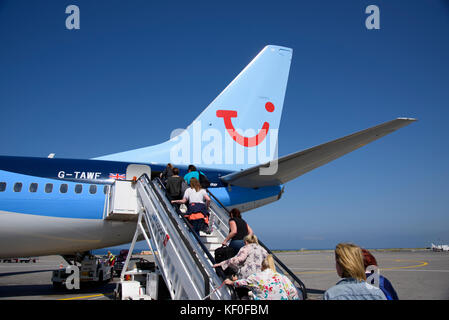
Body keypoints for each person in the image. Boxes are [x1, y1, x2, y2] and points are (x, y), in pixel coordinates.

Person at [224, 254, 300, 300]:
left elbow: (242, 282)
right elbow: (293, 292)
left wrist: (231, 282)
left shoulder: (255, 277)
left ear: (262, 267)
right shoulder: (283, 277)